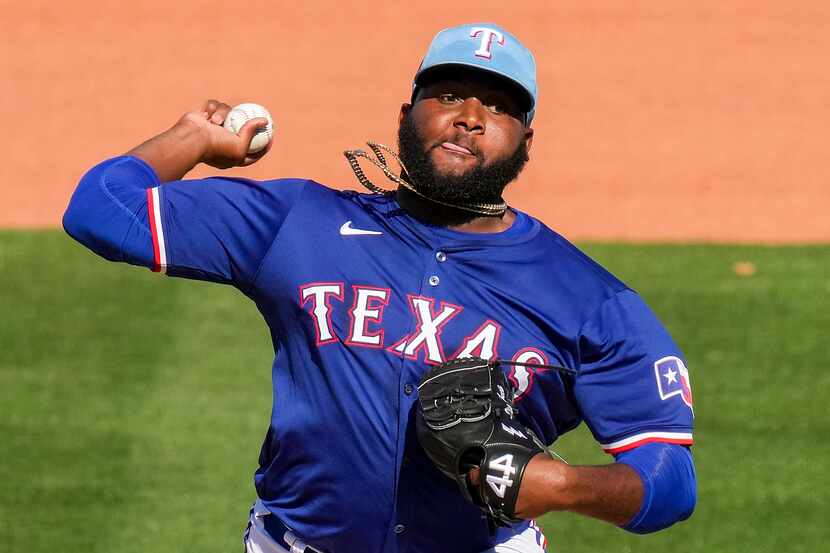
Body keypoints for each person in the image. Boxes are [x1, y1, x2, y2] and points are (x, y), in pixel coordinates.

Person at [63, 23, 696, 553]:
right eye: (448, 94)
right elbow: (101, 210)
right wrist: (195, 137)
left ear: (527, 142)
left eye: (498, 106)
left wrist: (557, 486)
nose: (470, 118)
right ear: (406, 116)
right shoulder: (299, 223)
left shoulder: (588, 300)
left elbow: (668, 481)